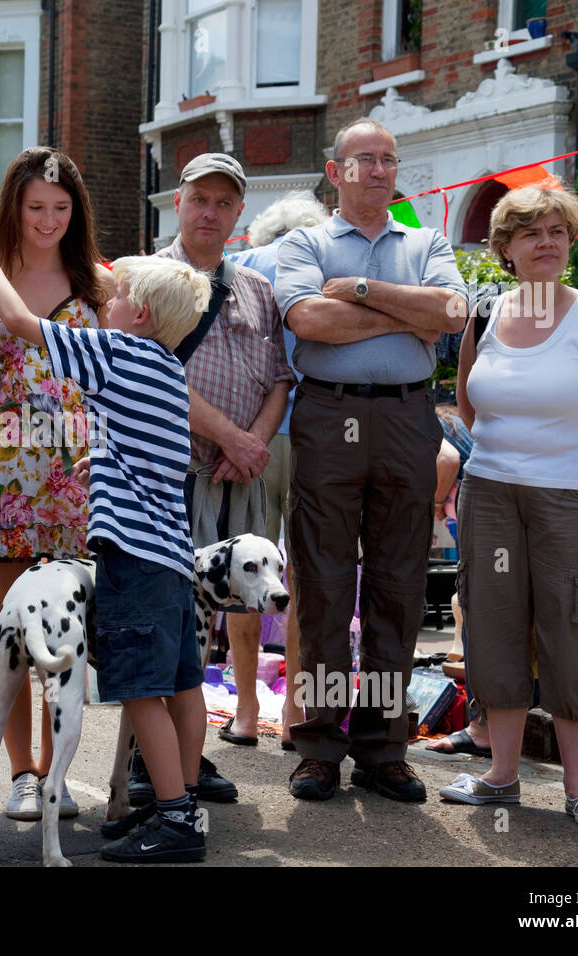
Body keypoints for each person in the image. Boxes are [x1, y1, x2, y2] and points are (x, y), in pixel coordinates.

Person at [0, 228, 212, 862]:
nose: (107, 299)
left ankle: (176, 821)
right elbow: (147, 455)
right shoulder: (165, 370)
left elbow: (20, 321)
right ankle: (177, 801)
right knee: (183, 685)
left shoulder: (117, 353)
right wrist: (100, 462)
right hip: (173, 558)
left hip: (131, 558)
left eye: (119, 293)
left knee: (139, 691)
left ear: (142, 314)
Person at [440, 186, 578, 828]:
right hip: (492, 492)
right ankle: (501, 775)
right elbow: (469, 403)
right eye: (531, 233)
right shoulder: (486, 312)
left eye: (558, 231)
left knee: (574, 626)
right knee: (495, 620)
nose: (547, 242)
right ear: (505, 249)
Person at [273, 118, 466, 802]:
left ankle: (385, 749)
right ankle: (319, 745)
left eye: (389, 159)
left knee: (398, 584)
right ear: (336, 172)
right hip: (328, 412)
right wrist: (409, 314)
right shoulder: (304, 242)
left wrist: (357, 290)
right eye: (365, 161)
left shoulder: (427, 239)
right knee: (323, 586)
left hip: (408, 415)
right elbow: (309, 323)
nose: (380, 171)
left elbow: (450, 311)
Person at [129, 153, 292, 805]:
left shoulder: (257, 287)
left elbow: (281, 378)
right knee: (168, 614)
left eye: (225, 203)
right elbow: (150, 372)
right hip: (172, 472)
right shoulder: (148, 279)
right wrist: (231, 436)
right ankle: (152, 760)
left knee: (212, 623)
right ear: (178, 201)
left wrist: (251, 444)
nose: (211, 211)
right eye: (200, 198)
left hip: (240, 474)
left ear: (239, 213)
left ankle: (185, 755)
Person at [0, 147, 111, 821]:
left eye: (61, 208)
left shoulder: (98, 286)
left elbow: (114, 383)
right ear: (14, 208)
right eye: (35, 207)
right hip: (6, 472)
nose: (48, 219)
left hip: (80, 472)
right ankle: (22, 773)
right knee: (16, 631)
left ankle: (60, 771)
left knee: (69, 630)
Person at [229, 190, 328, 750]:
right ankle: (295, 710)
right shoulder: (320, 262)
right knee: (307, 574)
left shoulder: (243, 266)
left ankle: (246, 710)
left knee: (248, 571)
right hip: (316, 431)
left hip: (253, 435)